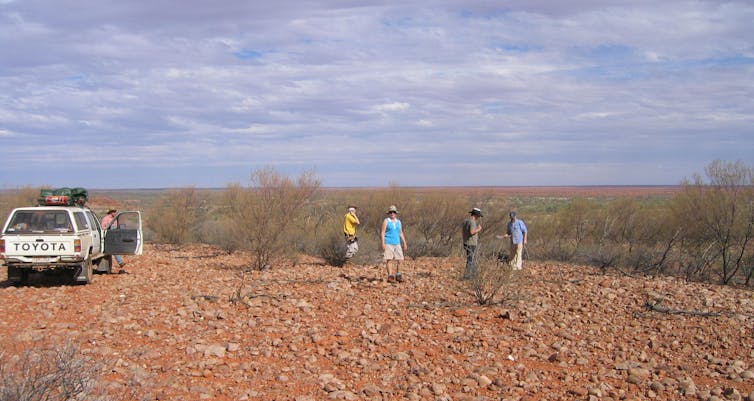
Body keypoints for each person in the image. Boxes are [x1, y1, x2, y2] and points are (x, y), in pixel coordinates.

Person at [380, 205, 408, 283]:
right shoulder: (386, 221)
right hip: (388, 242)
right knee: (389, 259)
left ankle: (398, 275)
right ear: (389, 213)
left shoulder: (398, 222)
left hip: (397, 243)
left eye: (394, 212)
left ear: (396, 213)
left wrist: (404, 243)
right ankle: (390, 276)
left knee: (400, 259)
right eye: (391, 212)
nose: (392, 213)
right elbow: (382, 232)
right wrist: (383, 243)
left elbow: (401, 232)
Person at [101, 209, 128, 273]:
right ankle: (120, 262)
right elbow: (103, 227)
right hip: (108, 236)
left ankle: (120, 262)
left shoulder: (115, 219)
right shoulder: (106, 218)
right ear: (110, 212)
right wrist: (107, 228)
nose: (114, 213)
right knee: (114, 249)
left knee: (115, 249)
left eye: (115, 212)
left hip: (114, 236)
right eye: (113, 212)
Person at [462, 207, 483, 279]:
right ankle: (467, 276)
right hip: (471, 244)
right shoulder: (472, 222)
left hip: (466, 242)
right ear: (476, 215)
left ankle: (472, 274)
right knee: (470, 260)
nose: (479, 217)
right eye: (479, 216)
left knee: (470, 259)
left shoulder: (466, 221)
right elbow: (472, 232)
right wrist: (478, 229)